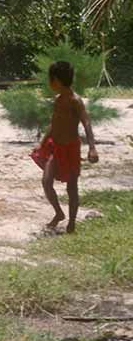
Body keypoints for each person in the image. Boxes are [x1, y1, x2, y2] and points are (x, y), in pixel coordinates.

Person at [34, 61, 99, 234]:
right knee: (46, 181)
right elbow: (54, 124)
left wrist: (92, 147)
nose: (49, 83)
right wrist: (43, 142)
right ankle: (59, 213)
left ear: (56, 80)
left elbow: (86, 122)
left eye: (50, 79)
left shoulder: (75, 101)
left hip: (71, 149)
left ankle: (71, 223)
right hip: (56, 147)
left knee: (72, 188)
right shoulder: (58, 100)